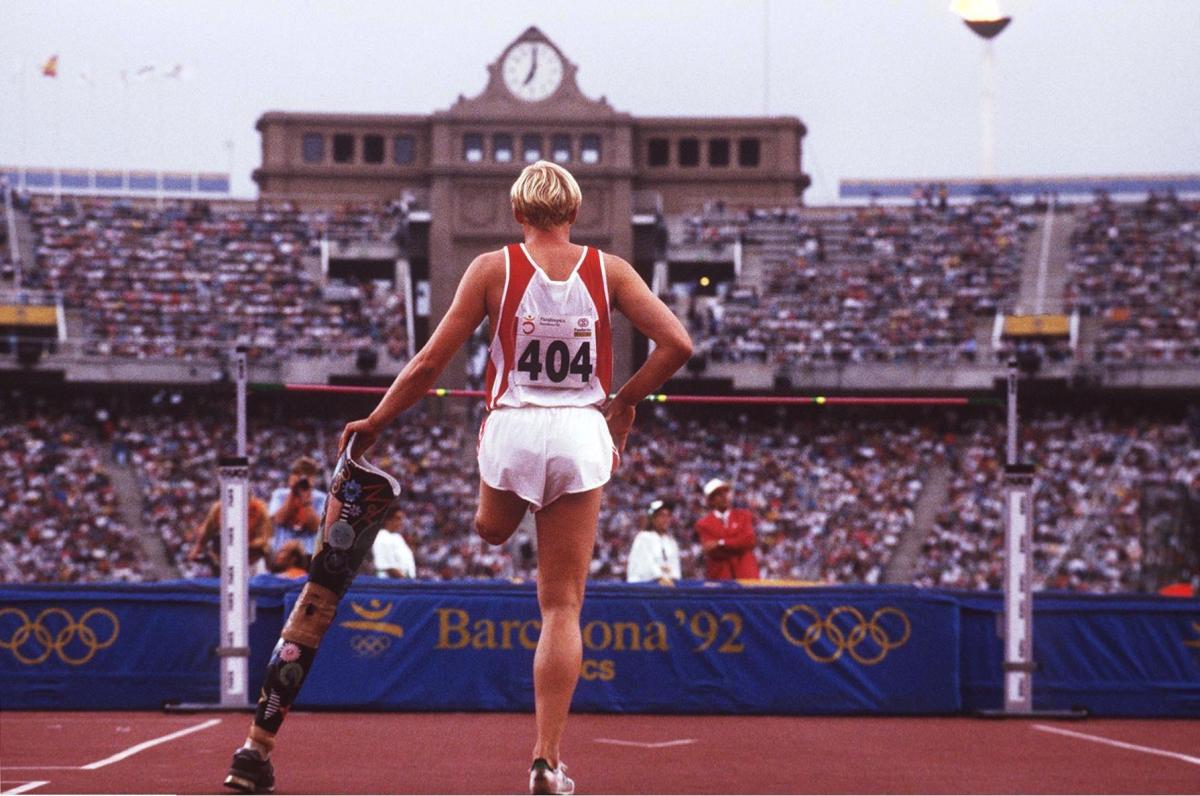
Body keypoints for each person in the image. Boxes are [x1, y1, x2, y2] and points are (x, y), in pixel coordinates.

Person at [276, 160, 687, 796]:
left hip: (512, 426)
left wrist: (378, 418)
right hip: (582, 429)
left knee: (491, 532)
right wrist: (626, 400)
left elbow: (428, 362)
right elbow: (678, 345)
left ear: (518, 215)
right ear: (574, 213)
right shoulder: (610, 270)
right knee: (562, 605)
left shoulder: (492, 268)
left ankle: (497, 506)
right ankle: (546, 760)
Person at [187, 494, 272, 576]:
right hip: (224, 559)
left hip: (252, 556)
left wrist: (243, 545)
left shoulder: (260, 509)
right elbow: (206, 534)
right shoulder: (218, 508)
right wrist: (196, 550)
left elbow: (264, 537)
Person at [694, 478, 759, 580]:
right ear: (711, 500)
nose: (724, 497)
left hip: (746, 574)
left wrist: (721, 543)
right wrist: (737, 544)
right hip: (721, 576)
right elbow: (712, 551)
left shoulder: (743, 516)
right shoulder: (703, 524)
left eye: (726, 493)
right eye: (719, 494)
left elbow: (749, 541)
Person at [267, 457, 327, 556]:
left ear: (313, 479)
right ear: (292, 476)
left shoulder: (321, 498)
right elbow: (278, 520)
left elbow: (316, 527)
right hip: (282, 552)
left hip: (309, 553)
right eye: (298, 474)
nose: (302, 479)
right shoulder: (279, 495)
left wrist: (306, 500)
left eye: (308, 475)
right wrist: (293, 492)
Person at [626, 499, 681, 584]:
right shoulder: (644, 537)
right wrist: (661, 578)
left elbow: (675, 567)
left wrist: (673, 579)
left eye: (668, 516)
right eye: (661, 516)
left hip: (666, 587)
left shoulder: (671, 541)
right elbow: (645, 565)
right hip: (645, 587)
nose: (666, 519)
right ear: (652, 518)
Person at [373, 506, 416, 578]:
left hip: (405, 581)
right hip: (390, 583)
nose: (401, 522)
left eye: (401, 519)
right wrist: (405, 581)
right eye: (398, 519)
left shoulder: (398, 537)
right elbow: (387, 566)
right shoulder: (381, 536)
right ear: (388, 520)